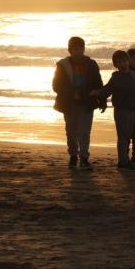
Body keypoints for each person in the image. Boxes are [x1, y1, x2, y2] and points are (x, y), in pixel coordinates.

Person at [52, 36, 105, 169]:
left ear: (84, 49)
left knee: (84, 131)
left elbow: (98, 83)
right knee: (71, 131)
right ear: (70, 50)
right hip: (69, 104)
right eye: (75, 49)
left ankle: (84, 158)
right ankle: (73, 156)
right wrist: (72, 93)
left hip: (87, 103)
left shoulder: (91, 64)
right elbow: (56, 86)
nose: (78, 51)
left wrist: (102, 100)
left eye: (80, 48)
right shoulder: (62, 65)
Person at [91, 50, 135, 169]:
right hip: (121, 109)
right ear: (116, 65)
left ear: (128, 61)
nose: (123, 64)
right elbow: (107, 90)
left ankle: (125, 159)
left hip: (132, 109)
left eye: (125, 61)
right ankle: (123, 161)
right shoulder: (116, 77)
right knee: (123, 136)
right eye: (120, 62)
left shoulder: (133, 75)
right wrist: (97, 93)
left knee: (128, 135)